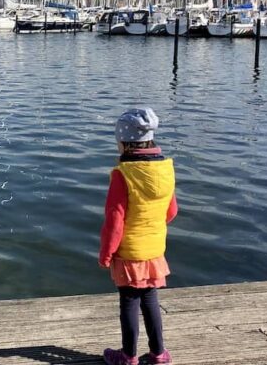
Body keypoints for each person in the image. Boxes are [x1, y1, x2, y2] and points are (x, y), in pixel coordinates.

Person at [99, 107, 178, 365]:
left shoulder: (123, 175)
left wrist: (106, 253)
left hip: (130, 251)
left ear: (124, 143)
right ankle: (158, 354)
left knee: (129, 303)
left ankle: (128, 356)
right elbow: (171, 211)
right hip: (154, 249)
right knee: (150, 300)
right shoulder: (166, 169)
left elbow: (115, 221)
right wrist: (151, 226)